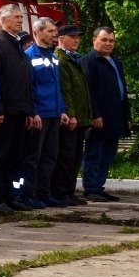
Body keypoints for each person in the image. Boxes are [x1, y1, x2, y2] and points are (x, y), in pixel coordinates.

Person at [0, 4, 36, 213]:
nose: (20, 20)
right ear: (3, 20)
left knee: (15, 157)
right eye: (16, 17)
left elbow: (26, 82)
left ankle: (10, 195)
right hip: (5, 112)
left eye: (21, 17)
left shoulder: (18, 46)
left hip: (20, 110)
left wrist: (30, 111)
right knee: (0, 156)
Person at [21, 18, 70, 207]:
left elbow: (57, 86)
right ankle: (28, 194)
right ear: (38, 32)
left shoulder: (53, 56)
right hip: (40, 115)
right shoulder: (29, 56)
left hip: (54, 113)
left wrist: (62, 110)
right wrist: (33, 112)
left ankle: (44, 193)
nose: (54, 34)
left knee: (50, 157)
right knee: (33, 157)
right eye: (50, 31)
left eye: (54, 31)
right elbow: (29, 88)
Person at [81, 26, 130, 202]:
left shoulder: (115, 61)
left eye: (111, 41)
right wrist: (94, 114)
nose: (108, 44)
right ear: (94, 40)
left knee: (108, 154)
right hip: (99, 117)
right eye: (104, 40)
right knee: (95, 153)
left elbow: (122, 90)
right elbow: (89, 90)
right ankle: (91, 188)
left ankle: (99, 186)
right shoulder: (89, 61)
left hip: (115, 116)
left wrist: (127, 117)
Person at [54, 24, 92, 206]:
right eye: (73, 37)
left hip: (81, 118)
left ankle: (68, 191)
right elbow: (65, 90)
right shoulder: (60, 59)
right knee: (66, 157)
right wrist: (71, 114)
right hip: (71, 118)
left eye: (78, 37)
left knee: (75, 157)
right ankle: (61, 191)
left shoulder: (74, 59)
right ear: (61, 39)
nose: (77, 40)